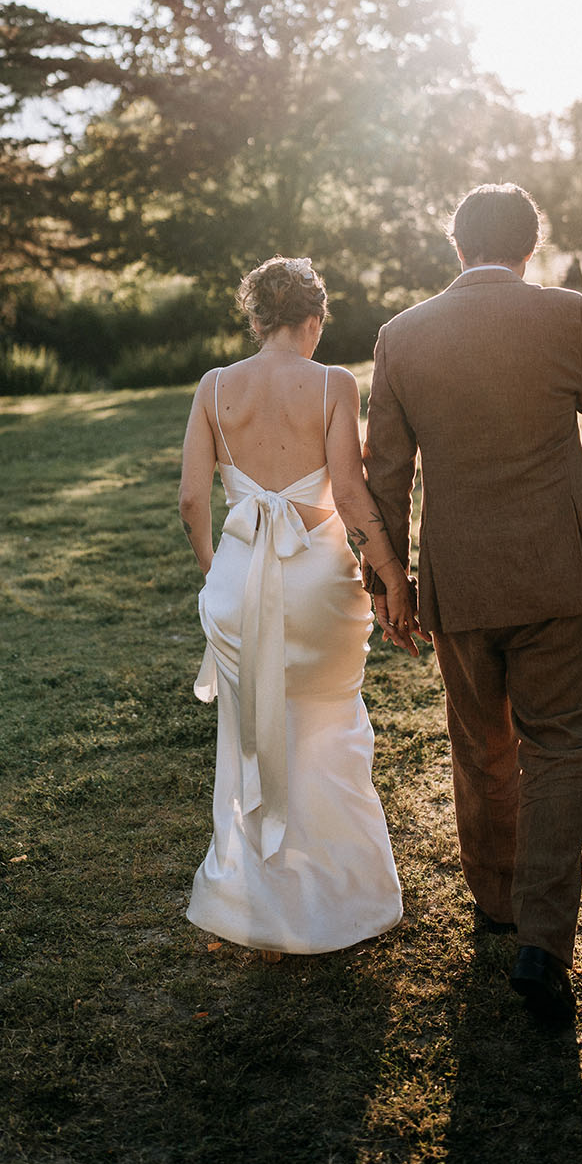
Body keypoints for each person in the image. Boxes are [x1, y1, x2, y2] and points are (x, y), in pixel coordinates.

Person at [363, 184, 582, 1027]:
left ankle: (495, 904)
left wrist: (392, 586)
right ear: (532, 244)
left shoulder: (400, 335)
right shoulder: (562, 313)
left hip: (459, 580)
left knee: (481, 742)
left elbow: (384, 472)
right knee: (560, 747)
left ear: (454, 247)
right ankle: (543, 944)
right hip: (556, 571)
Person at [179, 256, 413, 957]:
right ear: (313, 320)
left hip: (236, 581)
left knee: (252, 733)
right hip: (316, 582)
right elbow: (347, 494)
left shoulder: (214, 387)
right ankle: (344, 900)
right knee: (327, 728)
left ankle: (254, 900)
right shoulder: (333, 383)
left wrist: (216, 574)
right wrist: (390, 574)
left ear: (255, 320)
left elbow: (192, 500)